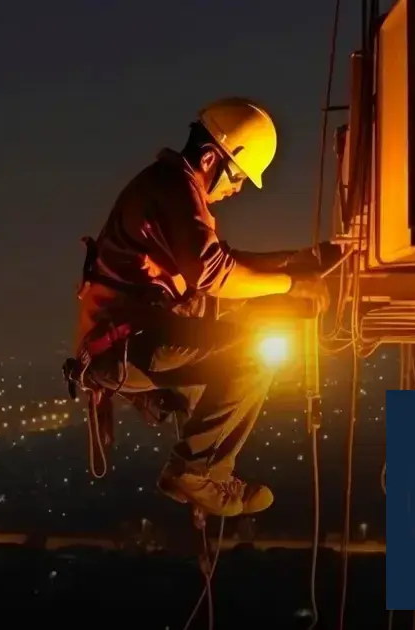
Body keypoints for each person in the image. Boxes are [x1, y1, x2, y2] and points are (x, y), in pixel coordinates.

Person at [66, 97, 330, 518]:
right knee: (252, 354)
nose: (238, 188)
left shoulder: (170, 188)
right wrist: (292, 282)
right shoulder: (174, 189)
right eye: (239, 176)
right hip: (127, 345)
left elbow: (224, 261)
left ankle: (195, 468)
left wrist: (299, 260)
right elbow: (214, 274)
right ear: (211, 157)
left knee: (237, 325)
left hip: (128, 342)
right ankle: (197, 471)